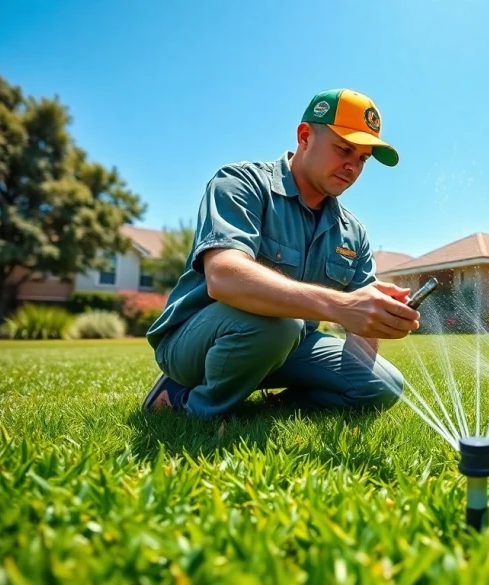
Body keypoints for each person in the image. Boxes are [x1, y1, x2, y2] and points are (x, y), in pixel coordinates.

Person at [141, 88, 419, 418]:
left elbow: (361, 315)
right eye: (344, 149)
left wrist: (375, 319)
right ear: (304, 136)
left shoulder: (352, 231)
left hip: (291, 346)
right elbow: (223, 277)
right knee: (280, 326)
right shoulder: (241, 183)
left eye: (362, 159)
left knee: (383, 385)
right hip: (198, 343)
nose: (352, 166)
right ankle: (188, 404)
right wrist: (342, 306)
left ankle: (275, 403)